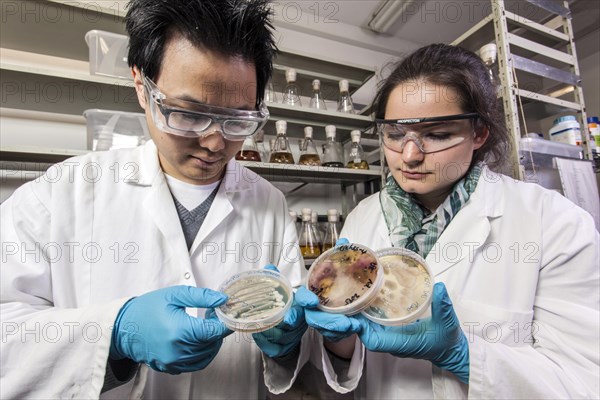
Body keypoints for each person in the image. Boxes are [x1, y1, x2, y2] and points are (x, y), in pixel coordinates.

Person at [0, 1, 311, 398]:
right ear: (141, 87)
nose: (215, 142)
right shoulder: (62, 192)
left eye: (239, 120)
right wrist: (114, 333)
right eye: (187, 113)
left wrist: (287, 345)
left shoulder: (268, 201)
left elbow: (291, 353)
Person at [296, 43, 600, 398]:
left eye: (436, 135)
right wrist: (339, 340)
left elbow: (585, 382)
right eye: (394, 134)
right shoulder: (363, 217)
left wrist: (464, 356)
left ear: (479, 133)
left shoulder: (553, 221)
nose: (409, 155)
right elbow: (346, 372)